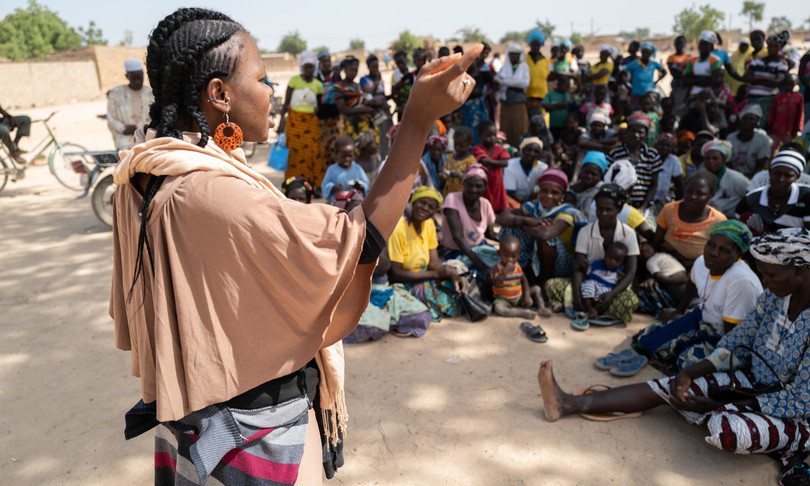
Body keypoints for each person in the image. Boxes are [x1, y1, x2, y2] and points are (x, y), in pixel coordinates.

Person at [109, 7, 481, 484]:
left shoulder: (148, 166)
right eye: (262, 79)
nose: (271, 92)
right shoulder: (209, 192)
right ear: (219, 94)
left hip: (199, 414)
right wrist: (416, 121)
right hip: (250, 429)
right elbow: (356, 243)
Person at [536, 227, 810, 486]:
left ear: (799, 270)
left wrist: (717, 405)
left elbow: (800, 398)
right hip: (755, 382)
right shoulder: (771, 299)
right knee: (677, 388)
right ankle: (569, 403)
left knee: (730, 430)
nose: (765, 281)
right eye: (763, 274)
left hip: (799, 412)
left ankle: (796, 441)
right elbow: (735, 343)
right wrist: (688, 373)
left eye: (771, 275)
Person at [636, 220, 761, 370]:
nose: (713, 253)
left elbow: (732, 339)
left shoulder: (741, 281)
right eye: (711, 245)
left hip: (729, 339)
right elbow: (692, 284)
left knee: (686, 362)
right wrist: (679, 311)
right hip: (702, 318)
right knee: (646, 339)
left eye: (724, 250)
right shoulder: (702, 262)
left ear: (739, 255)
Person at [548, 184, 639, 325]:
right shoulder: (585, 232)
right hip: (588, 283)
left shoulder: (629, 234)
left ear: (619, 209)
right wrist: (577, 293)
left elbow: (631, 271)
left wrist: (611, 295)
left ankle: (585, 308)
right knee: (551, 286)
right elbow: (578, 267)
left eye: (608, 209)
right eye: (599, 209)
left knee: (630, 302)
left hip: (614, 287)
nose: (603, 213)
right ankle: (591, 307)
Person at [497, 169, 586, 286]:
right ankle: (518, 270)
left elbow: (545, 234)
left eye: (555, 193)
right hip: (537, 257)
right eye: (544, 191)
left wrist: (523, 224)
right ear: (539, 191)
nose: (549, 196)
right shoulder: (534, 206)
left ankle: (544, 282)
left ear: (562, 196)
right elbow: (501, 217)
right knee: (511, 223)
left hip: (563, 265)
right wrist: (528, 220)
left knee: (547, 238)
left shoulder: (568, 212)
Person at [388, 186, 463, 320]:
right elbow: (396, 273)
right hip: (404, 282)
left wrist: (449, 271)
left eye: (431, 207)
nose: (425, 208)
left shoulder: (428, 224)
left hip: (424, 275)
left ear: (434, 212)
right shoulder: (398, 228)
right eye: (422, 203)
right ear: (414, 202)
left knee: (458, 292)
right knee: (425, 313)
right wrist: (435, 274)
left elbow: (434, 263)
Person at [654, 171, 726, 269]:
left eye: (700, 193)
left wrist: (688, 261)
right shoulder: (669, 209)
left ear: (711, 195)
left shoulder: (718, 220)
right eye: (689, 191)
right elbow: (656, 242)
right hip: (667, 262)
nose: (693, 196)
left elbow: (719, 253)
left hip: (702, 267)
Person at [736, 149, 810, 235]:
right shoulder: (751, 198)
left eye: (788, 175)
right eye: (777, 174)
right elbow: (738, 227)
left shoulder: (806, 196)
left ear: (797, 177)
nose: (781, 179)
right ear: (770, 172)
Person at [278, 50, 325, 185]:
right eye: (306, 67)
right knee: (294, 153)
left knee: (312, 153)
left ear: (314, 67)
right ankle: (293, 184)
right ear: (302, 67)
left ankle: (311, 184)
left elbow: (319, 106)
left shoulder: (318, 85)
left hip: (311, 124)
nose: (308, 69)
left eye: (311, 67)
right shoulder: (294, 81)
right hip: (295, 123)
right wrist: (281, 122)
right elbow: (286, 103)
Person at [440, 164, 499, 272]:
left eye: (478, 186)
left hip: (480, 247)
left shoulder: (485, 204)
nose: (473, 190)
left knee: (504, 266)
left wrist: (505, 241)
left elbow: (489, 233)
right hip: (457, 250)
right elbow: (458, 238)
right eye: (470, 185)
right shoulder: (452, 199)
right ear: (463, 184)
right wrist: (483, 266)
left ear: (485, 187)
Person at [606, 113, 663, 211]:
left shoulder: (652, 154)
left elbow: (654, 184)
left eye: (640, 132)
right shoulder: (615, 153)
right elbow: (608, 180)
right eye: (633, 131)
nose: (636, 135)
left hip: (644, 206)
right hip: (618, 206)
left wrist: (643, 207)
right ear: (627, 132)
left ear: (645, 134)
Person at [491, 235, 550, 319]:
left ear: (519, 254)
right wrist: (505, 271)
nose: (510, 259)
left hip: (519, 296)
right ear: (499, 253)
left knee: (537, 288)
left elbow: (524, 281)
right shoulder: (497, 267)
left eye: (513, 256)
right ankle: (520, 313)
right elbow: (496, 283)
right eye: (506, 256)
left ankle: (542, 307)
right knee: (498, 308)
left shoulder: (518, 267)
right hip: (504, 299)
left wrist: (527, 295)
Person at [106, 59, 153, 151]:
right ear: (127, 76)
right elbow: (111, 119)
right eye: (134, 79)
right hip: (125, 140)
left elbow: (155, 116)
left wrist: (141, 127)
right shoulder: (116, 93)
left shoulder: (149, 93)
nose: (137, 82)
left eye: (140, 78)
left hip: (147, 137)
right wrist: (124, 129)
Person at [743, 34, 789, 125]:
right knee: (749, 124)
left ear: (779, 48)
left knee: (763, 125)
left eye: (775, 46)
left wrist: (756, 78)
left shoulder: (782, 63)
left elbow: (777, 81)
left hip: (767, 100)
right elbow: (746, 77)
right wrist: (768, 78)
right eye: (770, 46)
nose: (772, 48)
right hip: (752, 99)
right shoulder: (757, 60)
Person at [457, 44, 497, 145]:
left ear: (476, 62)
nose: (469, 64)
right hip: (464, 110)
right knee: (464, 134)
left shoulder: (482, 75)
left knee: (479, 133)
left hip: (477, 110)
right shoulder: (462, 77)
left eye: (471, 61)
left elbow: (498, 83)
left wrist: (487, 94)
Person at [580, 240, 628, 319]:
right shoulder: (597, 264)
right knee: (588, 285)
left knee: (604, 296)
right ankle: (589, 308)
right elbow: (587, 274)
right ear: (605, 255)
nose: (612, 262)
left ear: (622, 262)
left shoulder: (619, 271)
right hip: (593, 282)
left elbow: (623, 285)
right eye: (610, 257)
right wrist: (584, 268)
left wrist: (620, 279)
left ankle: (596, 310)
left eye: (617, 260)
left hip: (607, 287)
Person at [335, 56, 377, 142]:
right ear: (345, 70)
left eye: (356, 70)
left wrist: (370, 104)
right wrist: (364, 109)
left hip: (363, 123)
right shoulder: (339, 86)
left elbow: (364, 100)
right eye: (351, 70)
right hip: (348, 126)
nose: (354, 73)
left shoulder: (357, 86)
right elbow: (343, 109)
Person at [473, 120, 510, 213]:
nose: (492, 138)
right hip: (485, 184)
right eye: (488, 135)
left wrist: (489, 163)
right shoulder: (478, 148)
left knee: (500, 207)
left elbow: (505, 163)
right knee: (484, 206)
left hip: (498, 185)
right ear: (480, 136)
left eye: (494, 135)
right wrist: (497, 163)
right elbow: (484, 161)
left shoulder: (500, 149)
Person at [497, 43, 530, 147]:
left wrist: (506, 82)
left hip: (518, 103)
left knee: (519, 129)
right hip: (506, 103)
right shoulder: (504, 68)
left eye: (515, 54)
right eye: (511, 54)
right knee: (506, 130)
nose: (513, 56)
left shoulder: (524, 67)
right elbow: (498, 83)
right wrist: (514, 83)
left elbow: (524, 83)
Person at [315, 50, 343, 168]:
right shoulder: (316, 78)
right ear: (319, 63)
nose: (326, 63)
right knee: (323, 147)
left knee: (336, 146)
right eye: (323, 61)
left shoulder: (336, 76)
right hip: (321, 118)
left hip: (336, 117)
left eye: (328, 61)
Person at [321, 135, 370, 203]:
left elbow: (366, 183)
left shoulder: (358, 169)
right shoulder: (332, 170)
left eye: (350, 156)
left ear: (354, 154)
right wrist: (333, 187)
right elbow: (324, 185)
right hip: (338, 204)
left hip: (355, 203)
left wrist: (361, 185)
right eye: (343, 156)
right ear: (336, 154)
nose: (347, 159)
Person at [727, 103, 772, 177]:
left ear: (757, 122)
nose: (748, 121)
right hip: (732, 175)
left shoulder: (763, 140)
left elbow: (760, 166)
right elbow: (727, 161)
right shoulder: (730, 138)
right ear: (740, 121)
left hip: (753, 176)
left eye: (751, 119)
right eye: (745, 118)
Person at [767, 74, 805, 153]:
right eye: (787, 83)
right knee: (771, 150)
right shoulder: (778, 97)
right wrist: (769, 125)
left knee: (787, 150)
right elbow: (772, 112)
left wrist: (798, 128)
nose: (789, 86)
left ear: (795, 84)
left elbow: (800, 113)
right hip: (776, 130)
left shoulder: (799, 97)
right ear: (784, 84)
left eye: (792, 83)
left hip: (790, 132)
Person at [623, 42, 666, 110]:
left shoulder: (653, 64)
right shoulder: (634, 64)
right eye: (644, 52)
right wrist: (627, 86)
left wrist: (656, 82)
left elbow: (664, 72)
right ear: (641, 52)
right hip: (636, 93)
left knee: (650, 111)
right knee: (635, 111)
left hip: (649, 93)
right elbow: (622, 74)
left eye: (647, 52)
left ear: (650, 53)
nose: (645, 54)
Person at [504, 137, 548, 203]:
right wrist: (526, 203)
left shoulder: (543, 168)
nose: (532, 153)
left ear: (539, 154)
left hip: (534, 201)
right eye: (529, 150)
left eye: (536, 151)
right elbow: (510, 192)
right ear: (523, 150)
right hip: (514, 200)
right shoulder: (510, 165)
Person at [652, 133, 685, 208]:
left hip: (664, 199)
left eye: (668, 146)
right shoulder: (650, 157)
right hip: (649, 197)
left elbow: (679, 183)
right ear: (656, 145)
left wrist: (680, 202)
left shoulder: (673, 160)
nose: (664, 148)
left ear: (672, 148)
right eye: (661, 145)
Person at [442, 126, 477, 196]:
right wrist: (443, 175)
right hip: (448, 193)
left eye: (461, 146)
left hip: (462, 195)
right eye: (455, 145)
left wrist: (459, 175)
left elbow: (473, 179)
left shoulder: (471, 161)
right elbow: (445, 170)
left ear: (469, 144)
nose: (457, 148)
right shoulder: (451, 157)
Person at [525, 30, 550, 118]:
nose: (535, 47)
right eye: (533, 44)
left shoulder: (546, 60)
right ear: (530, 45)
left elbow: (548, 77)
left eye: (537, 45)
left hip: (542, 96)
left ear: (541, 45)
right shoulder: (524, 59)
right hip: (527, 96)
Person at [542, 75, 571, 141]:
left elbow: (565, 104)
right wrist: (560, 106)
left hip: (564, 124)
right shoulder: (550, 94)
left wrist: (552, 105)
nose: (567, 89)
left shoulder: (566, 94)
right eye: (566, 86)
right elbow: (545, 105)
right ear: (559, 84)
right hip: (552, 124)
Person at [666, 36, 691, 109]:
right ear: (674, 44)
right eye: (677, 43)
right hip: (677, 83)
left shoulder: (689, 56)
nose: (679, 45)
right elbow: (673, 73)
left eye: (681, 43)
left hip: (687, 83)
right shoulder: (671, 57)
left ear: (685, 44)